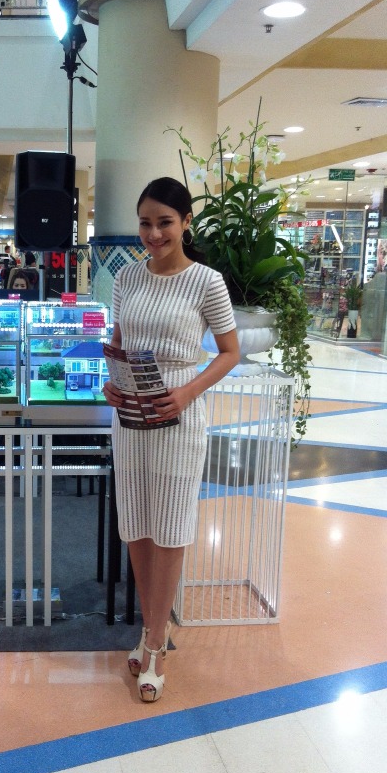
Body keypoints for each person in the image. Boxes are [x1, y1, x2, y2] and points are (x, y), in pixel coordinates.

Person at [102, 177, 239, 703]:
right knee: (137, 524)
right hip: (131, 416)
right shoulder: (127, 278)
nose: (154, 233)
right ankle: (151, 629)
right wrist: (111, 384)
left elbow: (229, 351)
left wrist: (186, 393)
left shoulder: (206, 281)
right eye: (145, 223)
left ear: (185, 223)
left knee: (171, 527)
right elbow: (119, 341)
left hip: (179, 415)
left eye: (164, 222)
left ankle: (156, 643)